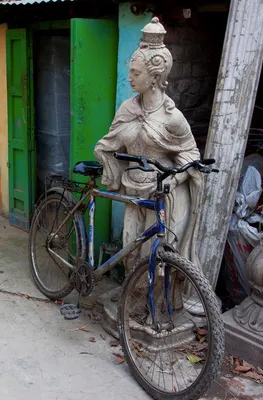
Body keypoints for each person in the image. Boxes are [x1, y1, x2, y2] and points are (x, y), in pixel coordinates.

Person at [94, 17, 204, 271]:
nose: (129, 78)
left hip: (163, 196)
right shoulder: (127, 109)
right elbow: (111, 142)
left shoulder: (171, 117)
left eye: (135, 73)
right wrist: (106, 155)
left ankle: (151, 307)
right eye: (130, 71)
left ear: (154, 77)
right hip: (133, 193)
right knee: (131, 254)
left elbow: (191, 154)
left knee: (153, 258)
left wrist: (173, 180)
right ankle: (131, 306)